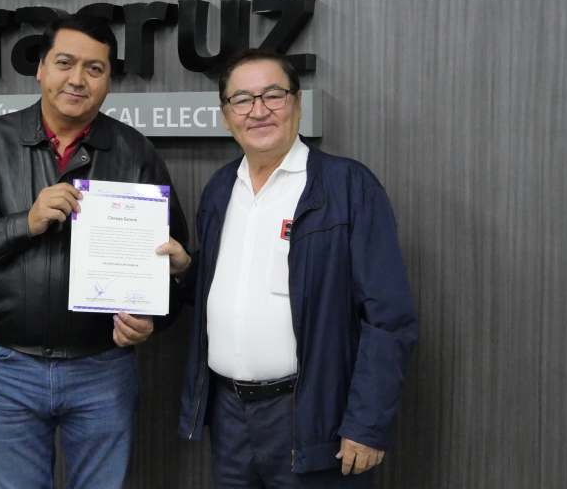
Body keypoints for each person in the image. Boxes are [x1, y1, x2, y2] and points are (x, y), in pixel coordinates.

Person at [0, 15, 189, 489]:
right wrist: (22, 223)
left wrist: (152, 318)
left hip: (103, 367)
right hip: (7, 366)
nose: (77, 79)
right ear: (41, 68)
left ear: (108, 81)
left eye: (94, 68)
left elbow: (172, 266)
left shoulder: (135, 153)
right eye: (65, 63)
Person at [164, 50, 418, 488]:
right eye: (242, 99)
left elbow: (388, 317)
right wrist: (188, 269)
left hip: (310, 415)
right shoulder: (221, 188)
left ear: (297, 103)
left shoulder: (347, 186)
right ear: (226, 115)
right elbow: (227, 283)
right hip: (229, 416)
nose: (258, 110)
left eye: (273, 95)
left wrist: (367, 424)